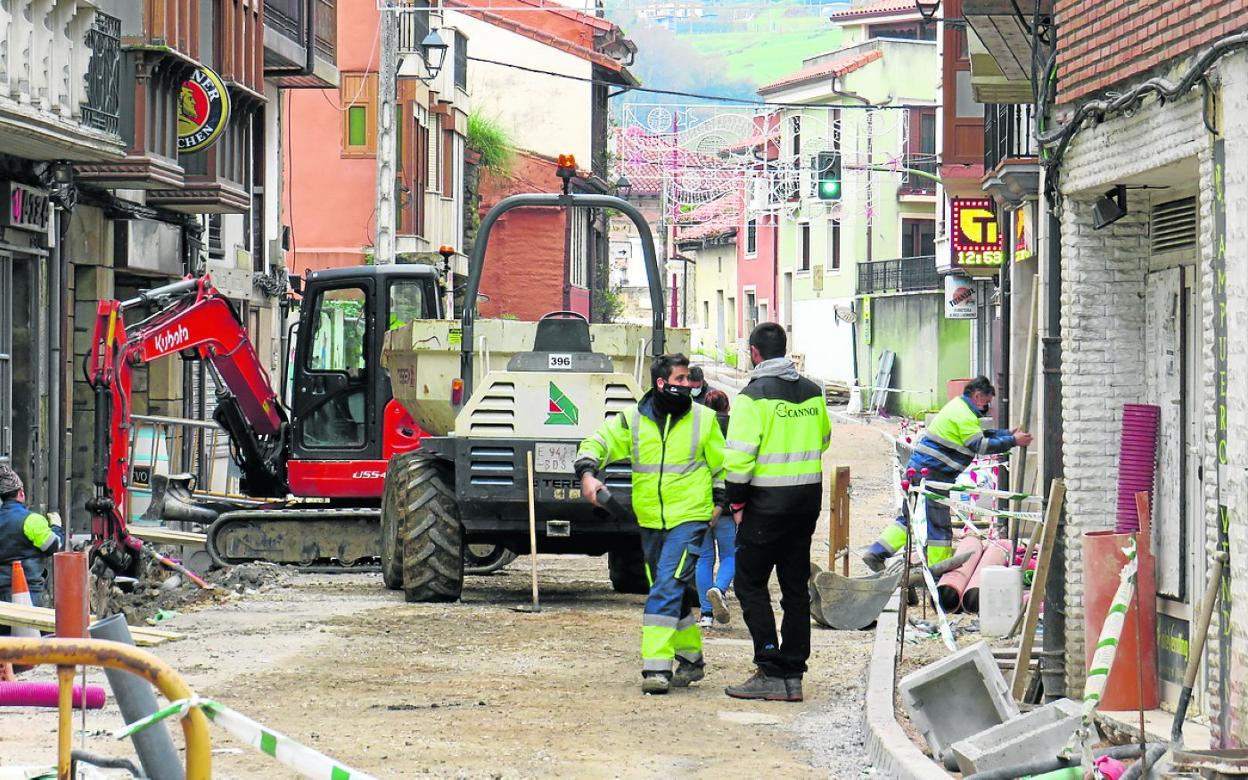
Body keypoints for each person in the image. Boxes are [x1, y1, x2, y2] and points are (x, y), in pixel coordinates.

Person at [576, 354, 726, 695]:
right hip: (650, 521)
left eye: (688, 379)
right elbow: (597, 443)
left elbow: (722, 467)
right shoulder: (633, 420)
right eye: (680, 379)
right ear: (661, 383)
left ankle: (656, 668)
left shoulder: (704, 419)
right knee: (668, 589)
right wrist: (587, 474)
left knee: (664, 589)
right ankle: (691, 659)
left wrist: (719, 504)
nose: (687, 385)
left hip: (690, 518)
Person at [722, 323, 831, 703]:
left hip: (765, 506)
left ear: (754, 353)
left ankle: (769, 667)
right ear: (785, 349)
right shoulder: (813, 391)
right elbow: (823, 440)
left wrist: (736, 503)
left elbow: (739, 460)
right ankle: (793, 674)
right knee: (794, 588)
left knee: (750, 584)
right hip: (806, 503)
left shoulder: (752, 397)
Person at [862, 376, 1033, 570]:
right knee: (938, 524)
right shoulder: (965, 415)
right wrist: (1014, 441)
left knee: (909, 517)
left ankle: (877, 552)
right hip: (933, 475)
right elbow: (981, 445)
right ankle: (938, 568)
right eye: (986, 402)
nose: (987, 407)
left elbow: (980, 434)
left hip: (919, 471)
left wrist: (1008, 434)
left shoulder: (958, 407)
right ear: (978, 396)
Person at [696, 389, 735, 628]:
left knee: (704, 559)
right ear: (727, 407)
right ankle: (719, 589)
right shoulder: (736, 430)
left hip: (701, 502)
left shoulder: (697, 430)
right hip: (728, 505)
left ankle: (706, 615)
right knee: (730, 555)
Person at [0, 465, 63, 610]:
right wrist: (56, 527)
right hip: (28, 593)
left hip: (1, 598)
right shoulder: (31, 520)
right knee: (29, 625)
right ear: (21, 493)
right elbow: (53, 546)